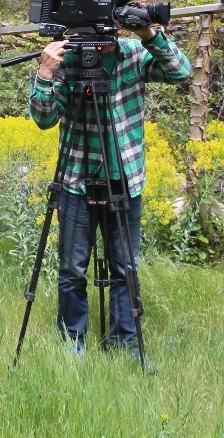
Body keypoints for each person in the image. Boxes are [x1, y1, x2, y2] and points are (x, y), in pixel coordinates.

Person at [30, 18, 191, 366]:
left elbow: (180, 71)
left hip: (126, 179)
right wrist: (45, 74)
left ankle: (126, 344)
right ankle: (71, 342)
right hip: (76, 179)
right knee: (72, 269)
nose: (100, 35)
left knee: (125, 268)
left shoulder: (134, 53)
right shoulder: (65, 60)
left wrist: (149, 33)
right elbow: (44, 120)